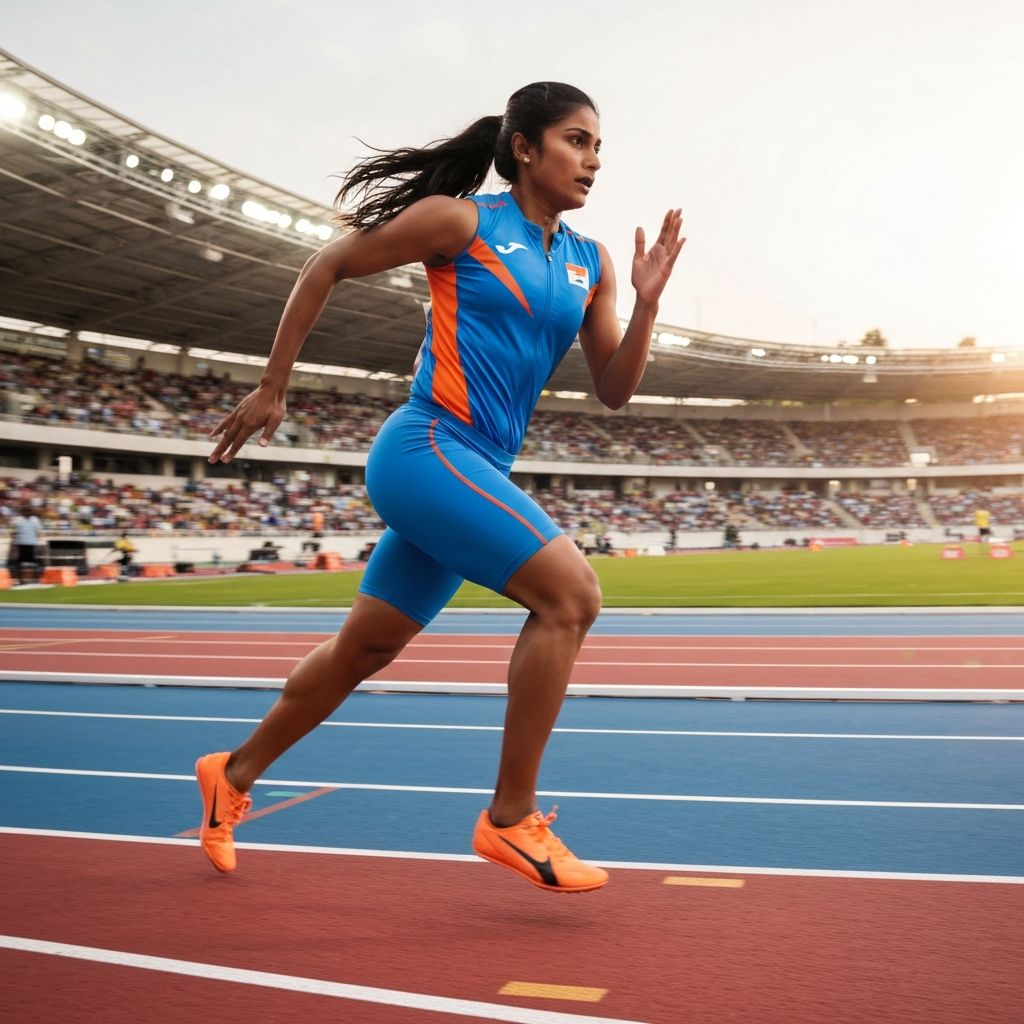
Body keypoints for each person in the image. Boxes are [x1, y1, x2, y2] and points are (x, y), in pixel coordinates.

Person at [195, 82, 684, 893]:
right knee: (571, 596)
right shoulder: (463, 222)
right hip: (426, 448)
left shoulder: (587, 261)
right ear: (525, 148)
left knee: (366, 649)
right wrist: (274, 384)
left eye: (599, 147)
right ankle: (510, 820)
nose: (593, 160)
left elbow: (615, 389)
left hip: (477, 469)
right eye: (576, 140)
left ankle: (232, 775)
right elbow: (328, 264)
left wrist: (646, 305)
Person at [9, 505, 44, 582]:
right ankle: (24, 579)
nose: (28, 513)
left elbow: (13, 533)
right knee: (27, 562)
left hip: (28, 544)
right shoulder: (20, 520)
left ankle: (30, 578)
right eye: (27, 511)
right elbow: (38, 533)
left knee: (20, 562)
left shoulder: (19, 520)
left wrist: (13, 543)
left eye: (29, 511)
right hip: (24, 544)